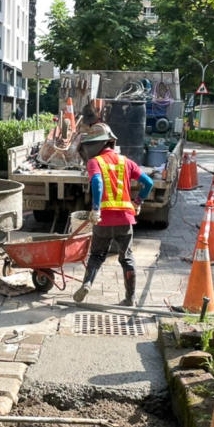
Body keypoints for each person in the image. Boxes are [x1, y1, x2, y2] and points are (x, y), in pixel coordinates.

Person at [72, 123, 155, 307]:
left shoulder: (95, 162)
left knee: (96, 256)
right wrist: (138, 202)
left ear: (95, 145)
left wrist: (96, 208)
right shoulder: (126, 161)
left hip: (103, 220)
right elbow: (148, 183)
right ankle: (130, 298)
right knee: (126, 258)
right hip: (125, 219)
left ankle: (87, 284)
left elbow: (96, 181)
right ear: (110, 142)